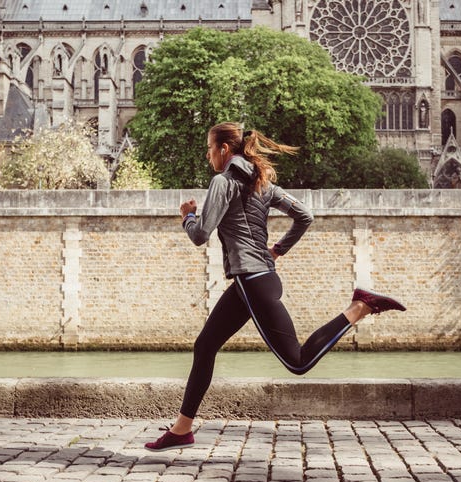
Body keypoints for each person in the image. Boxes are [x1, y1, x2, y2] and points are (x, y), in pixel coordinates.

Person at [144, 122, 406, 452]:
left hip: (252, 281)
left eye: (210, 148)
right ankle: (182, 429)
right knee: (205, 345)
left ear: (224, 149)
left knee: (298, 361)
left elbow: (199, 235)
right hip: (252, 279)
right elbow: (305, 215)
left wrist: (188, 216)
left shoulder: (222, 182)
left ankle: (360, 306)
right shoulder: (261, 181)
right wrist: (277, 250)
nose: (207, 154)